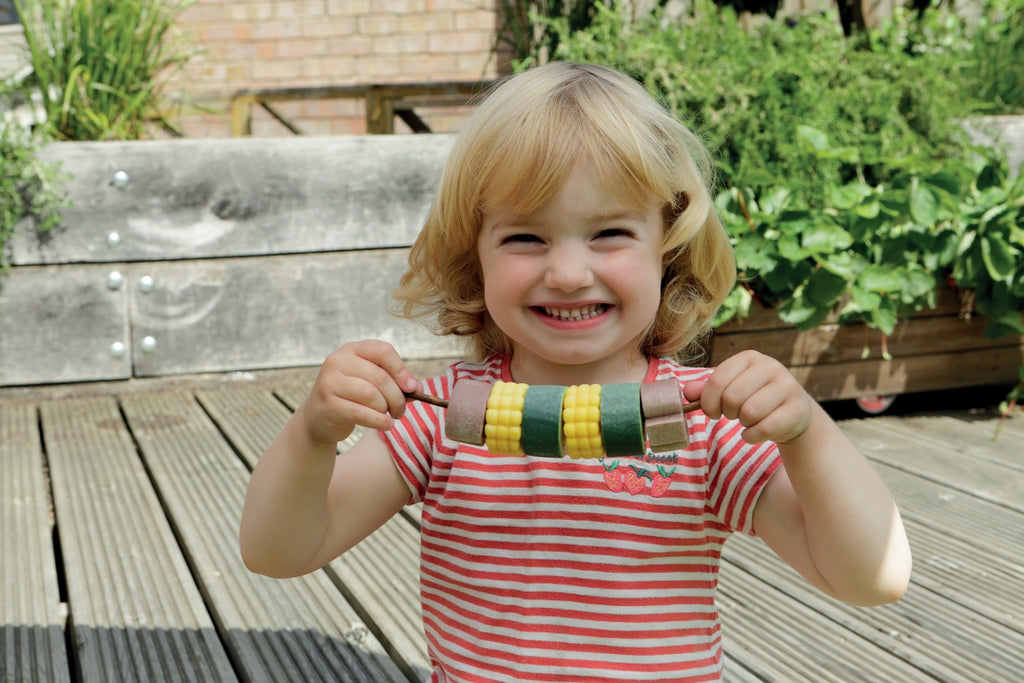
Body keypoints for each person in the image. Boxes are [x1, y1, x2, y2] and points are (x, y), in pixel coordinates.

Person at [239, 61, 912, 682]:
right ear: (475, 257)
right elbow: (279, 550)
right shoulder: (446, 416)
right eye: (525, 237)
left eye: (609, 233)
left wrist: (807, 434)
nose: (566, 273)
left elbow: (872, 575)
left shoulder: (699, 423)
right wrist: (312, 435)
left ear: (667, 248)